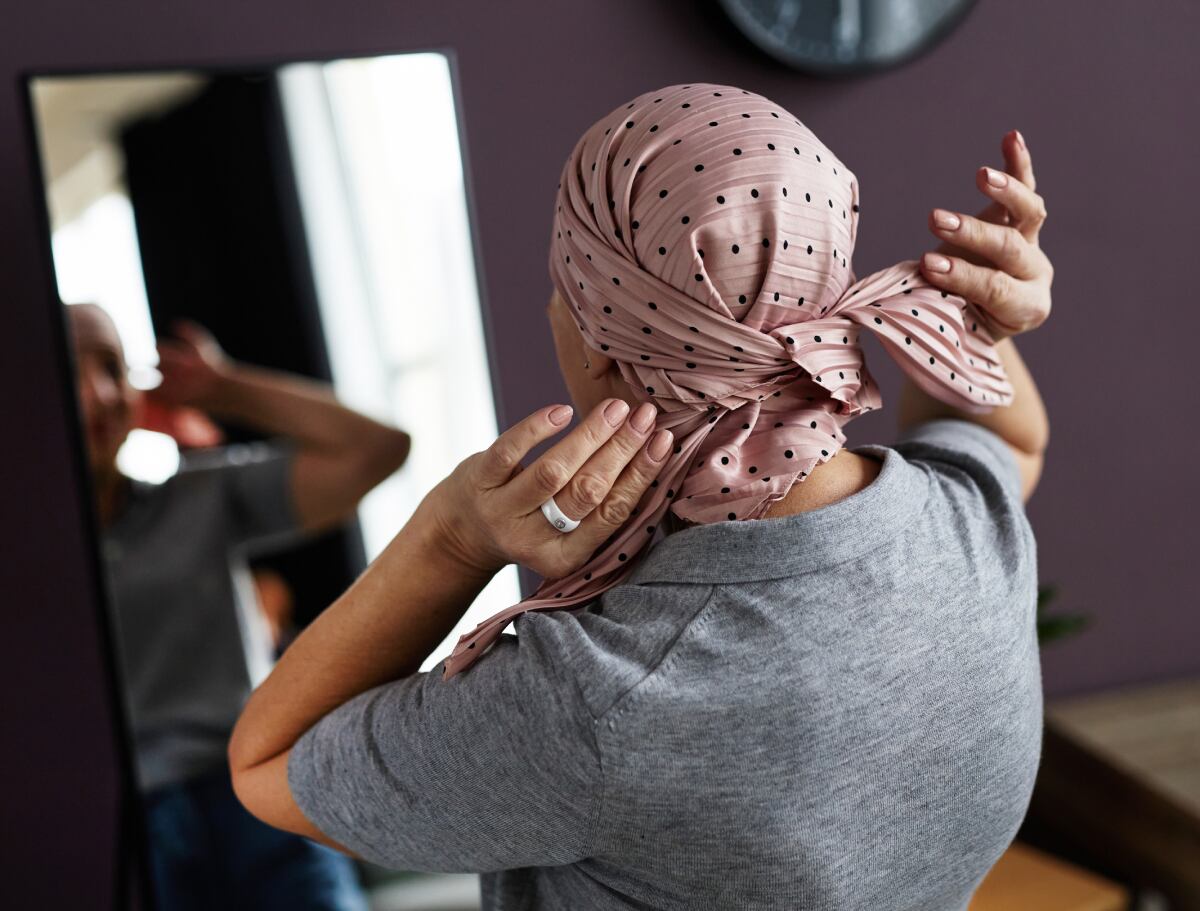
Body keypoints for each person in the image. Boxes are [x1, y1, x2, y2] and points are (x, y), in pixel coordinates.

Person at [229, 83, 1053, 910]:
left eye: (564, 285)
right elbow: (1014, 439)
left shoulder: (598, 701)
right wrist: (978, 326)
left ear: (598, 345)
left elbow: (267, 763)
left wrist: (454, 537)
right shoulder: (969, 525)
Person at [68, 307, 410, 910]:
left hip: (256, 795)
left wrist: (223, 387)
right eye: (71, 371)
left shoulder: (199, 497)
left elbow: (378, 449)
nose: (99, 394)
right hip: (119, 824)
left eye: (112, 368)